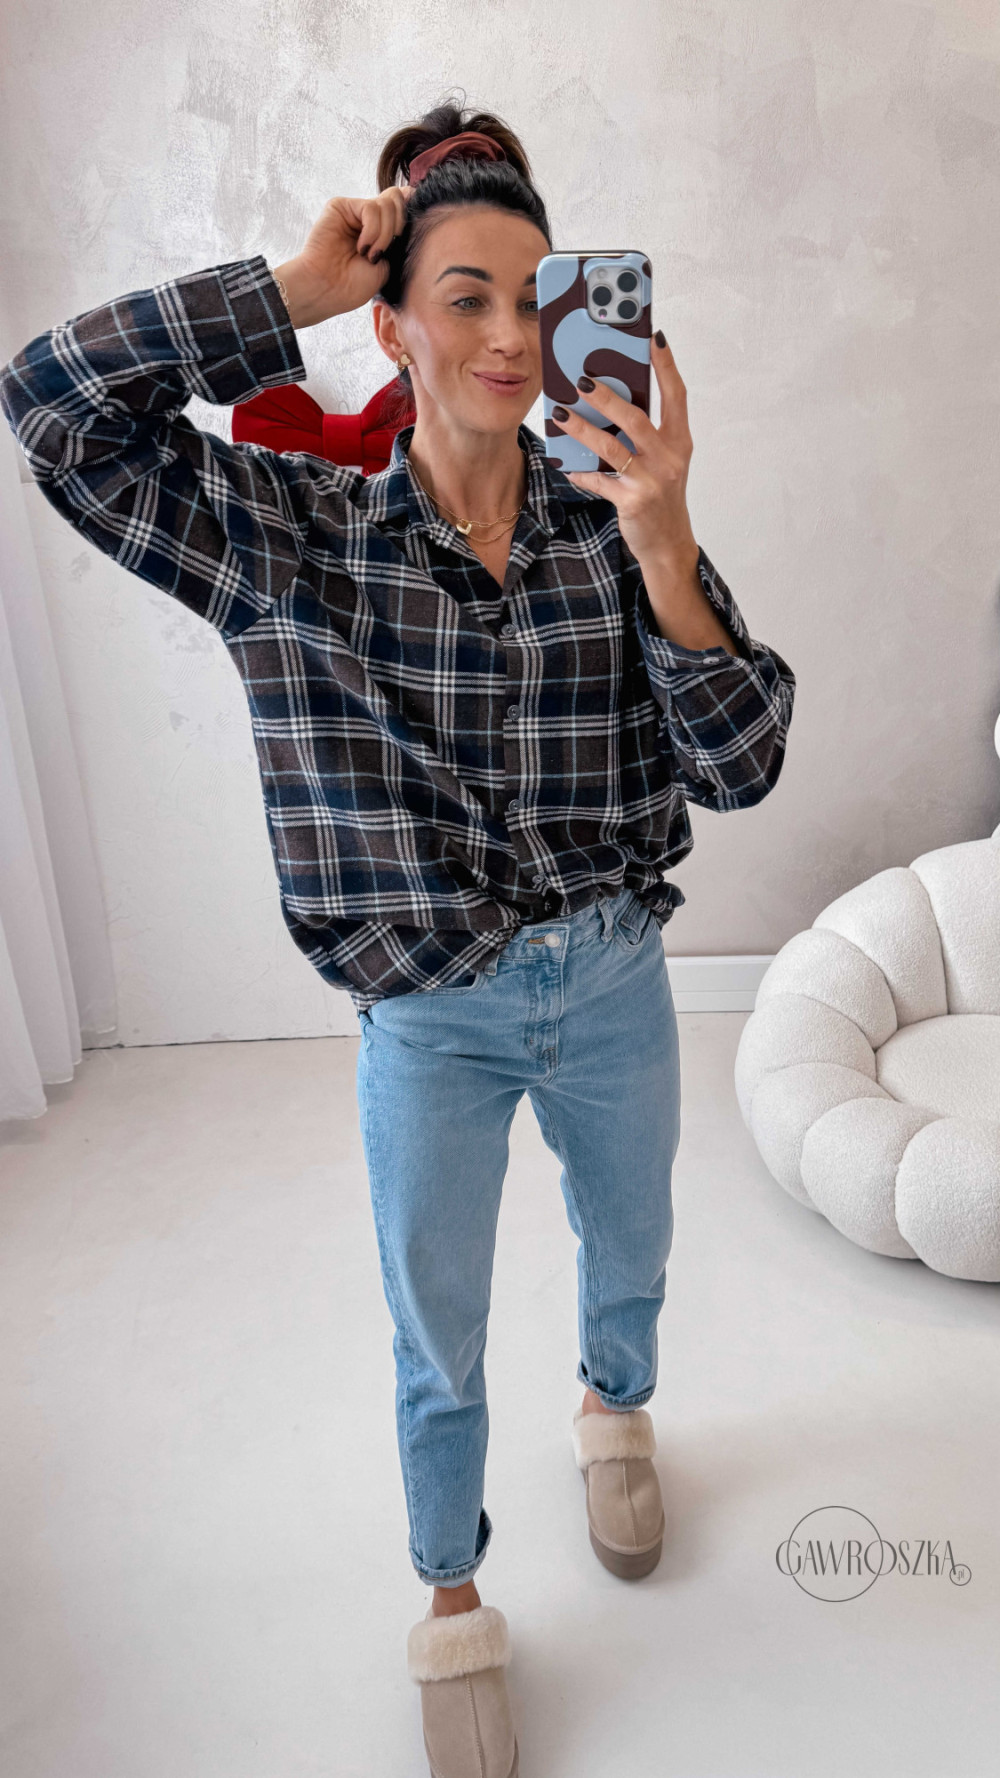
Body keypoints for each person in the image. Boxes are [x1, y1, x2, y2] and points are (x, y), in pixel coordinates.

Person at [0, 96, 796, 1778]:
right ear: (392, 324)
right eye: (463, 296)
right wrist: (286, 290)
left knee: (633, 1246)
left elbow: (742, 767)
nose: (508, 336)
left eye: (534, 297)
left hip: (618, 973)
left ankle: (616, 1408)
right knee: (436, 1329)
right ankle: (452, 1595)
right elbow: (50, 408)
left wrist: (666, 547)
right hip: (427, 1016)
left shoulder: (616, 522)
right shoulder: (290, 537)